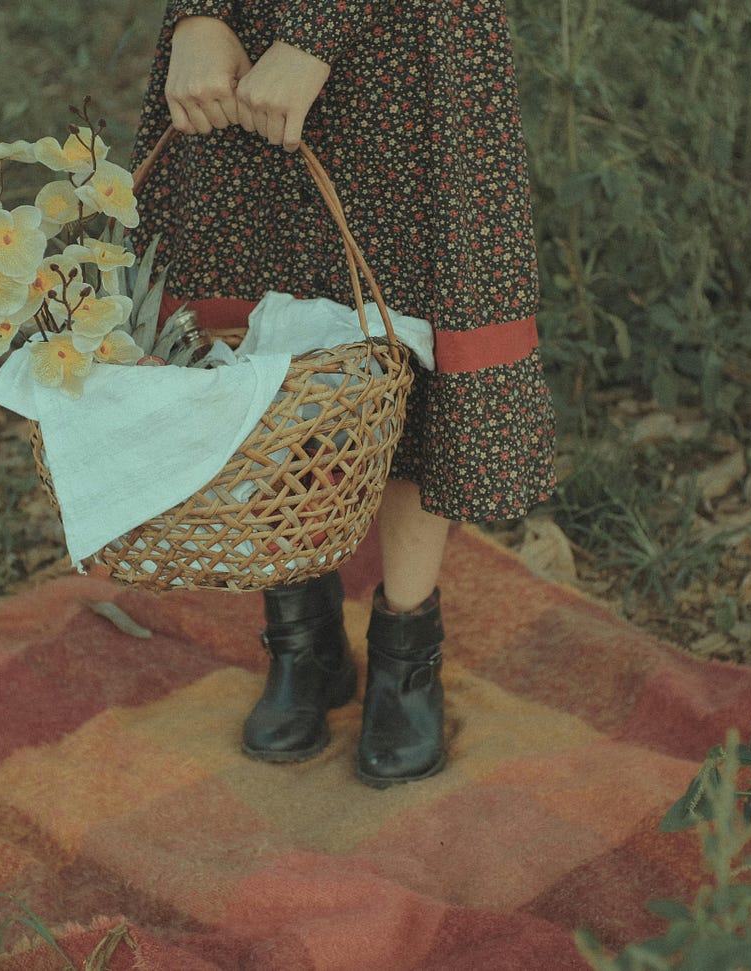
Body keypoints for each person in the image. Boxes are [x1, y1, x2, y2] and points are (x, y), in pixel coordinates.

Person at [133, 1, 557, 787]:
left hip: (408, 34)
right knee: (254, 320)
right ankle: (305, 641)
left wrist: (313, 37)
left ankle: (406, 657)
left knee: (406, 326)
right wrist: (198, 17)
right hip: (247, 26)